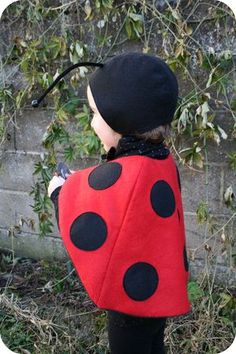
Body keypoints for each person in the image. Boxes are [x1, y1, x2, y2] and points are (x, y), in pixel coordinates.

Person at [47, 52, 191, 354]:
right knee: (154, 346)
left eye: (95, 113)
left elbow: (85, 223)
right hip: (156, 293)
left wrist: (60, 191)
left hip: (130, 306)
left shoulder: (131, 172)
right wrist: (82, 183)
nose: (91, 122)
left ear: (119, 118)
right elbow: (113, 197)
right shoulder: (160, 160)